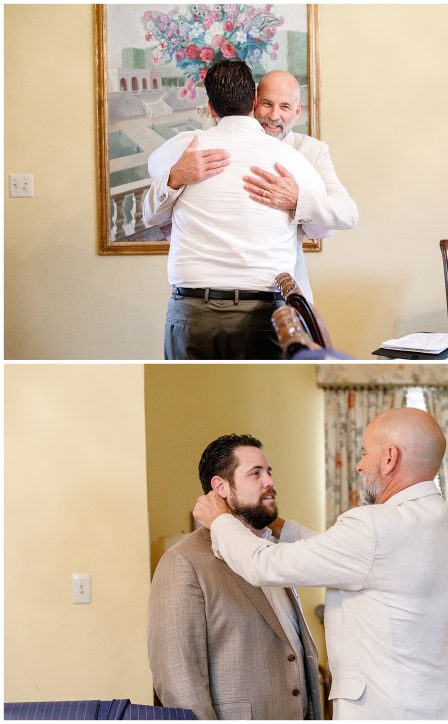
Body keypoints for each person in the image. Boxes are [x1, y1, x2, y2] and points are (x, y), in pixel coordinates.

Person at [192, 408, 448, 720]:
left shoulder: (373, 527)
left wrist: (220, 521)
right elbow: (353, 559)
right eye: (256, 473)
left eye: (365, 452)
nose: (358, 464)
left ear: (390, 457)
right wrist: (273, 522)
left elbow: (263, 565)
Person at [141, 60, 326, 360]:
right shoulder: (291, 160)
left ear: (211, 108)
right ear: (254, 101)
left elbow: (152, 184)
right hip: (267, 314)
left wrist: (175, 176)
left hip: (193, 312)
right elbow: (322, 223)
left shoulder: (185, 148)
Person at [143, 69, 359, 304]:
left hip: (282, 291)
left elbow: (345, 214)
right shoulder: (202, 147)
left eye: (284, 107)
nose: (274, 116)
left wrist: (298, 199)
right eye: (267, 104)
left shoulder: (311, 152)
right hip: (206, 291)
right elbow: (153, 201)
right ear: (254, 101)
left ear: (297, 111)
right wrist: (175, 175)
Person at [149, 434, 322, 720]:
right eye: (255, 474)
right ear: (221, 487)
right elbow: (178, 678)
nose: (269, 482)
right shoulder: (183, 562)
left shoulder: (272, 552)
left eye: (268, 472)